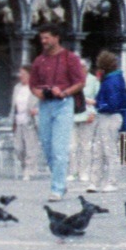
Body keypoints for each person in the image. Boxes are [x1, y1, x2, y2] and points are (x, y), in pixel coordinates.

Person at [30, 26, 86, 201]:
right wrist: (38, 92)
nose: (44, 41)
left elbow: (80, 82)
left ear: (56, 37)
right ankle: (60, 180)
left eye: (47, 38)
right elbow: (33, 84)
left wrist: (64, 92)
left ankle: (57, 188)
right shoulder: (39, 60)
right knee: (47, 147)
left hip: (63, 103)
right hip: (45, 104)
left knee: (59, 148)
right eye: (42, 38)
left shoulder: (70, 58)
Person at [89, 50, 126, 193]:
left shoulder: (112, 81)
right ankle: (96, 182)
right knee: (99, 150)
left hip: (110, 116)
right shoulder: (113, 79)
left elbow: (113, 104)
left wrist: (96, 103)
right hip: (107, 116)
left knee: (108, 150)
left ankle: (110, 182)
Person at [10, 65, 42, 180]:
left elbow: (44, 105)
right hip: (19, 120)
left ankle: (29, 170)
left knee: (30, 147)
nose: (20, 76)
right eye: (20, 74)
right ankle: (24, 166)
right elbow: (14, 107)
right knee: (18, 148)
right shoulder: (17, 88)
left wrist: (37, 111)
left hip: (31, 121)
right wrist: (13, 121)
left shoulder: (36, 88)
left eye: (23, 74)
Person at [72, 59, 100, 185]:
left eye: (81, 66)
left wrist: (92, 111)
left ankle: (84, 172)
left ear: (86, 68)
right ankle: (73, 172)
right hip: (72, 116)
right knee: (71, 147)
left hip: (87, 116)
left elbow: (99, 100)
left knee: (85, 146)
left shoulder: (93, 80)